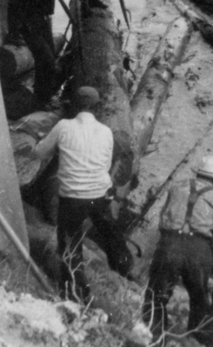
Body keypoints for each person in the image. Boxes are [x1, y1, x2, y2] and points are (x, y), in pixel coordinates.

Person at [31, 86, 132, 303]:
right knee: (112, 236)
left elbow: (40, 152)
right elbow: (105, 165)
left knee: (69, 244)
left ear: (74, 105)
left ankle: (76, 295)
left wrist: (48, 142)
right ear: (96, 108)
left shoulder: (63, 126)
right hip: (99, 196)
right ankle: (124, 275)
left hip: (73, 197)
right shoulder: (106, 131)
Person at [142, 155, 213, 341]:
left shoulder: (177, 186)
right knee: (200, 301)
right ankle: (194, 340)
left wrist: (165, 245)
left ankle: (155, 338)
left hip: (170, 243)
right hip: (199, 249)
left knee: (156, 296)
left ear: (199, 174)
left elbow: (162, 218)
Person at [16, 0, 73, 109]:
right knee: (47, 60)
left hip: (43, 22)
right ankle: (41, 99)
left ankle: (42, 97)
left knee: (46, 62)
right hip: (29, 24)